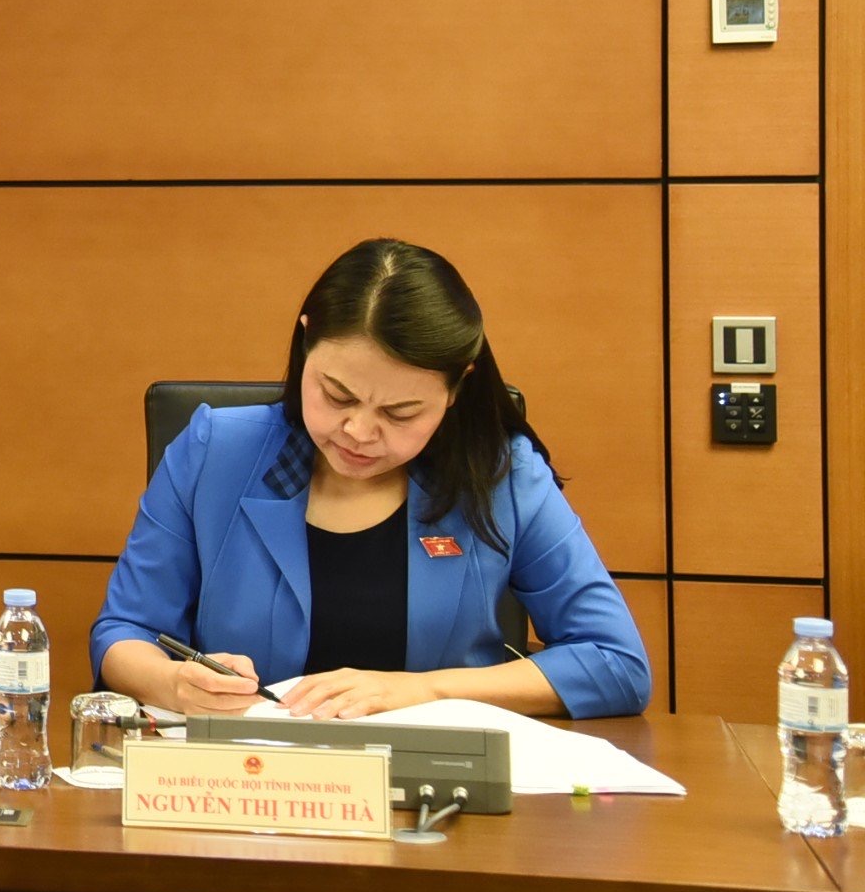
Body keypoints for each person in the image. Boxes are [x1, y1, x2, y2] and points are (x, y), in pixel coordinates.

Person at [93, 238, 651, 720]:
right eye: (337, 395)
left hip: (438, 800)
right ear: (305, 340)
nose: (359, 431)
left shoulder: (503, 475)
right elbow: (125, 632)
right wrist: (173, 684)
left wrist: (424, 690)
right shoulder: (215, 452)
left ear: (457, 389)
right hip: (250, 784)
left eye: (401, 413)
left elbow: (616, 662)